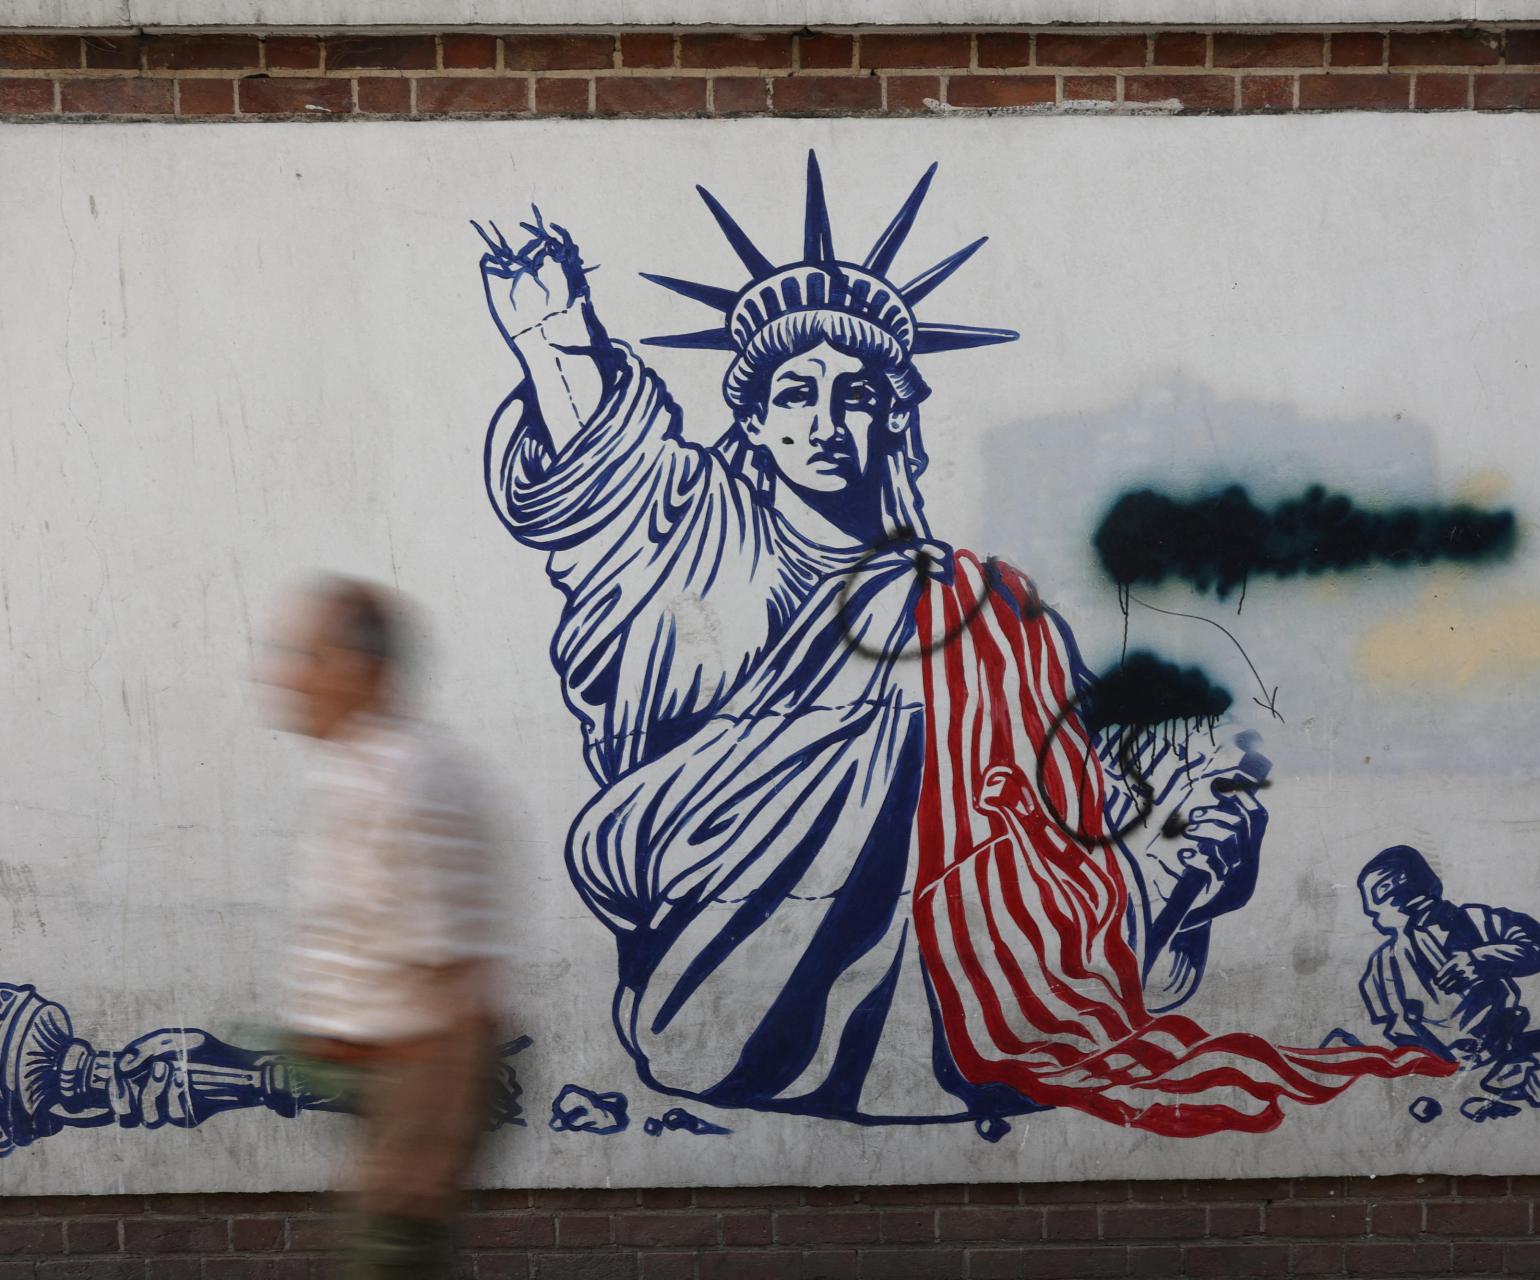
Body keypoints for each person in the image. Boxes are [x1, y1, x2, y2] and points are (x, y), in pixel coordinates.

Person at [476, 156, 1449, 1137]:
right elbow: (610, 489)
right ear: (756, 422)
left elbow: (1067, 785)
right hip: (710, 961)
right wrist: (555, 342)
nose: (825, 421)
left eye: (854, 395)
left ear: (891, 420)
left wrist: (1177, 823)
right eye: (796, 394)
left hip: (968, 966)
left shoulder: (979, 604)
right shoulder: (706, 542)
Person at [260, 577, 503, 1277]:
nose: (284, 677)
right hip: (386, 1083)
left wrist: (422, 1145)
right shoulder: (356, 771)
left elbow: (453, 980)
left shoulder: (405, 783)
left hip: (420, 1083)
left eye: (305, 657)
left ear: (359, 669)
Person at [1357, 844, 1540, 1066]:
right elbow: (1385, 1029)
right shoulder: (1383, 964)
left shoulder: (1475, 919)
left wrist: (1479, 961)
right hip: (1442, 1069)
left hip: (1507, 1052)